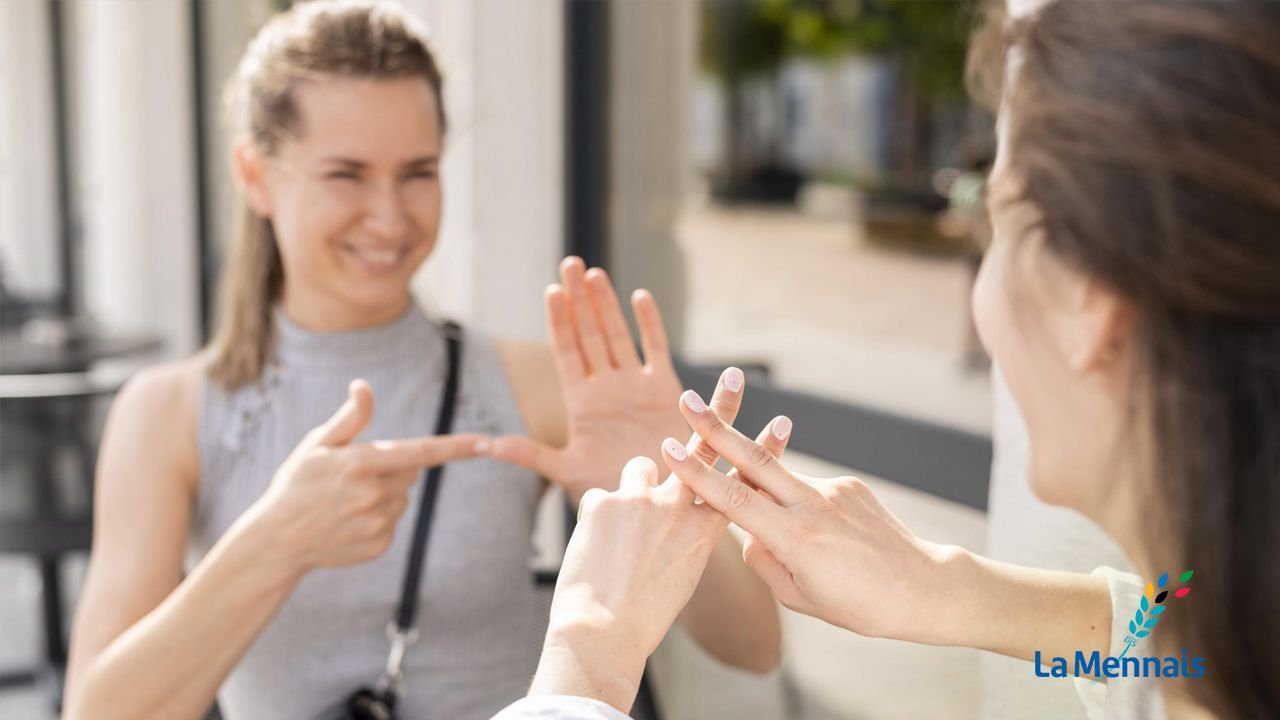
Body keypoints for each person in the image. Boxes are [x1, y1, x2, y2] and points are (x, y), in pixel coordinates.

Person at [497, 2, 1280, 719]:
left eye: (990, 221)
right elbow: (1157, 649)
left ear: (1089, 307)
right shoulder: (1229, 645)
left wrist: (588, 664)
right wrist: (942, 587)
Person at [61, 3, 780, 719]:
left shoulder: (533, 387)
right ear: (255, 174)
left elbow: (753, 647)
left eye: (418, 173)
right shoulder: (169, 415)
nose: (390, 217)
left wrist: (679, 491)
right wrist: (273, 544)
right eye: (346, 174)